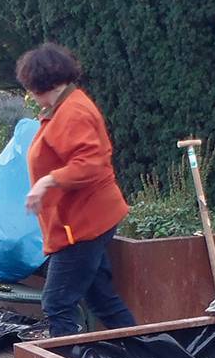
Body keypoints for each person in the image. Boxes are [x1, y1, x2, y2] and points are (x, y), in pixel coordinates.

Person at [16, 43, 137, 337]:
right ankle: (152, 355)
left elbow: (91, 163)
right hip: (81, 221)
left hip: (82, 226)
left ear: (38, 83)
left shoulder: (73, 112)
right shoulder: (64, 108)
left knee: (57, 302)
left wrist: (48, 181)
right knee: (102, 300)